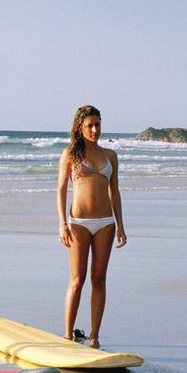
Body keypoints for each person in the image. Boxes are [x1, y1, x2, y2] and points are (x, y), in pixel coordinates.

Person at [56, 105, 126, 348]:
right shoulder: (70, 154)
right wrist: (62, 224)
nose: (95, 129)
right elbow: (61, 190)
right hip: (78, 224)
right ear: (80, 127)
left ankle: (94, 337)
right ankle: (67, 336)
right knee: (78, 279)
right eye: (89, 125)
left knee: (99, 278)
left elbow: (114, 193)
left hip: (106, 223)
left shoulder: (111, 156)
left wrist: (121, 226)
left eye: (97, 124)